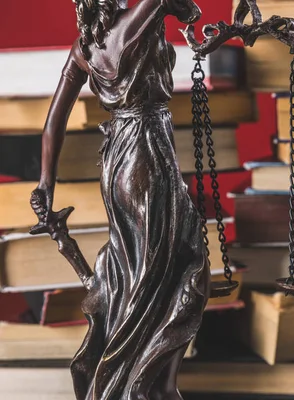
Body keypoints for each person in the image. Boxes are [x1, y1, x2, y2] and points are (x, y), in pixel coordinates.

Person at [29, 1, 208, 399]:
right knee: (174, 266)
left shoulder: (84, 47)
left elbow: (52, 123)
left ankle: (143, 384)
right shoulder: (137, 19)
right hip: (148, 154)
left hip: (116, 161)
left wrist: (45, 183)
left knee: (138, 270)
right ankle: (144, 387)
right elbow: (188, 10)